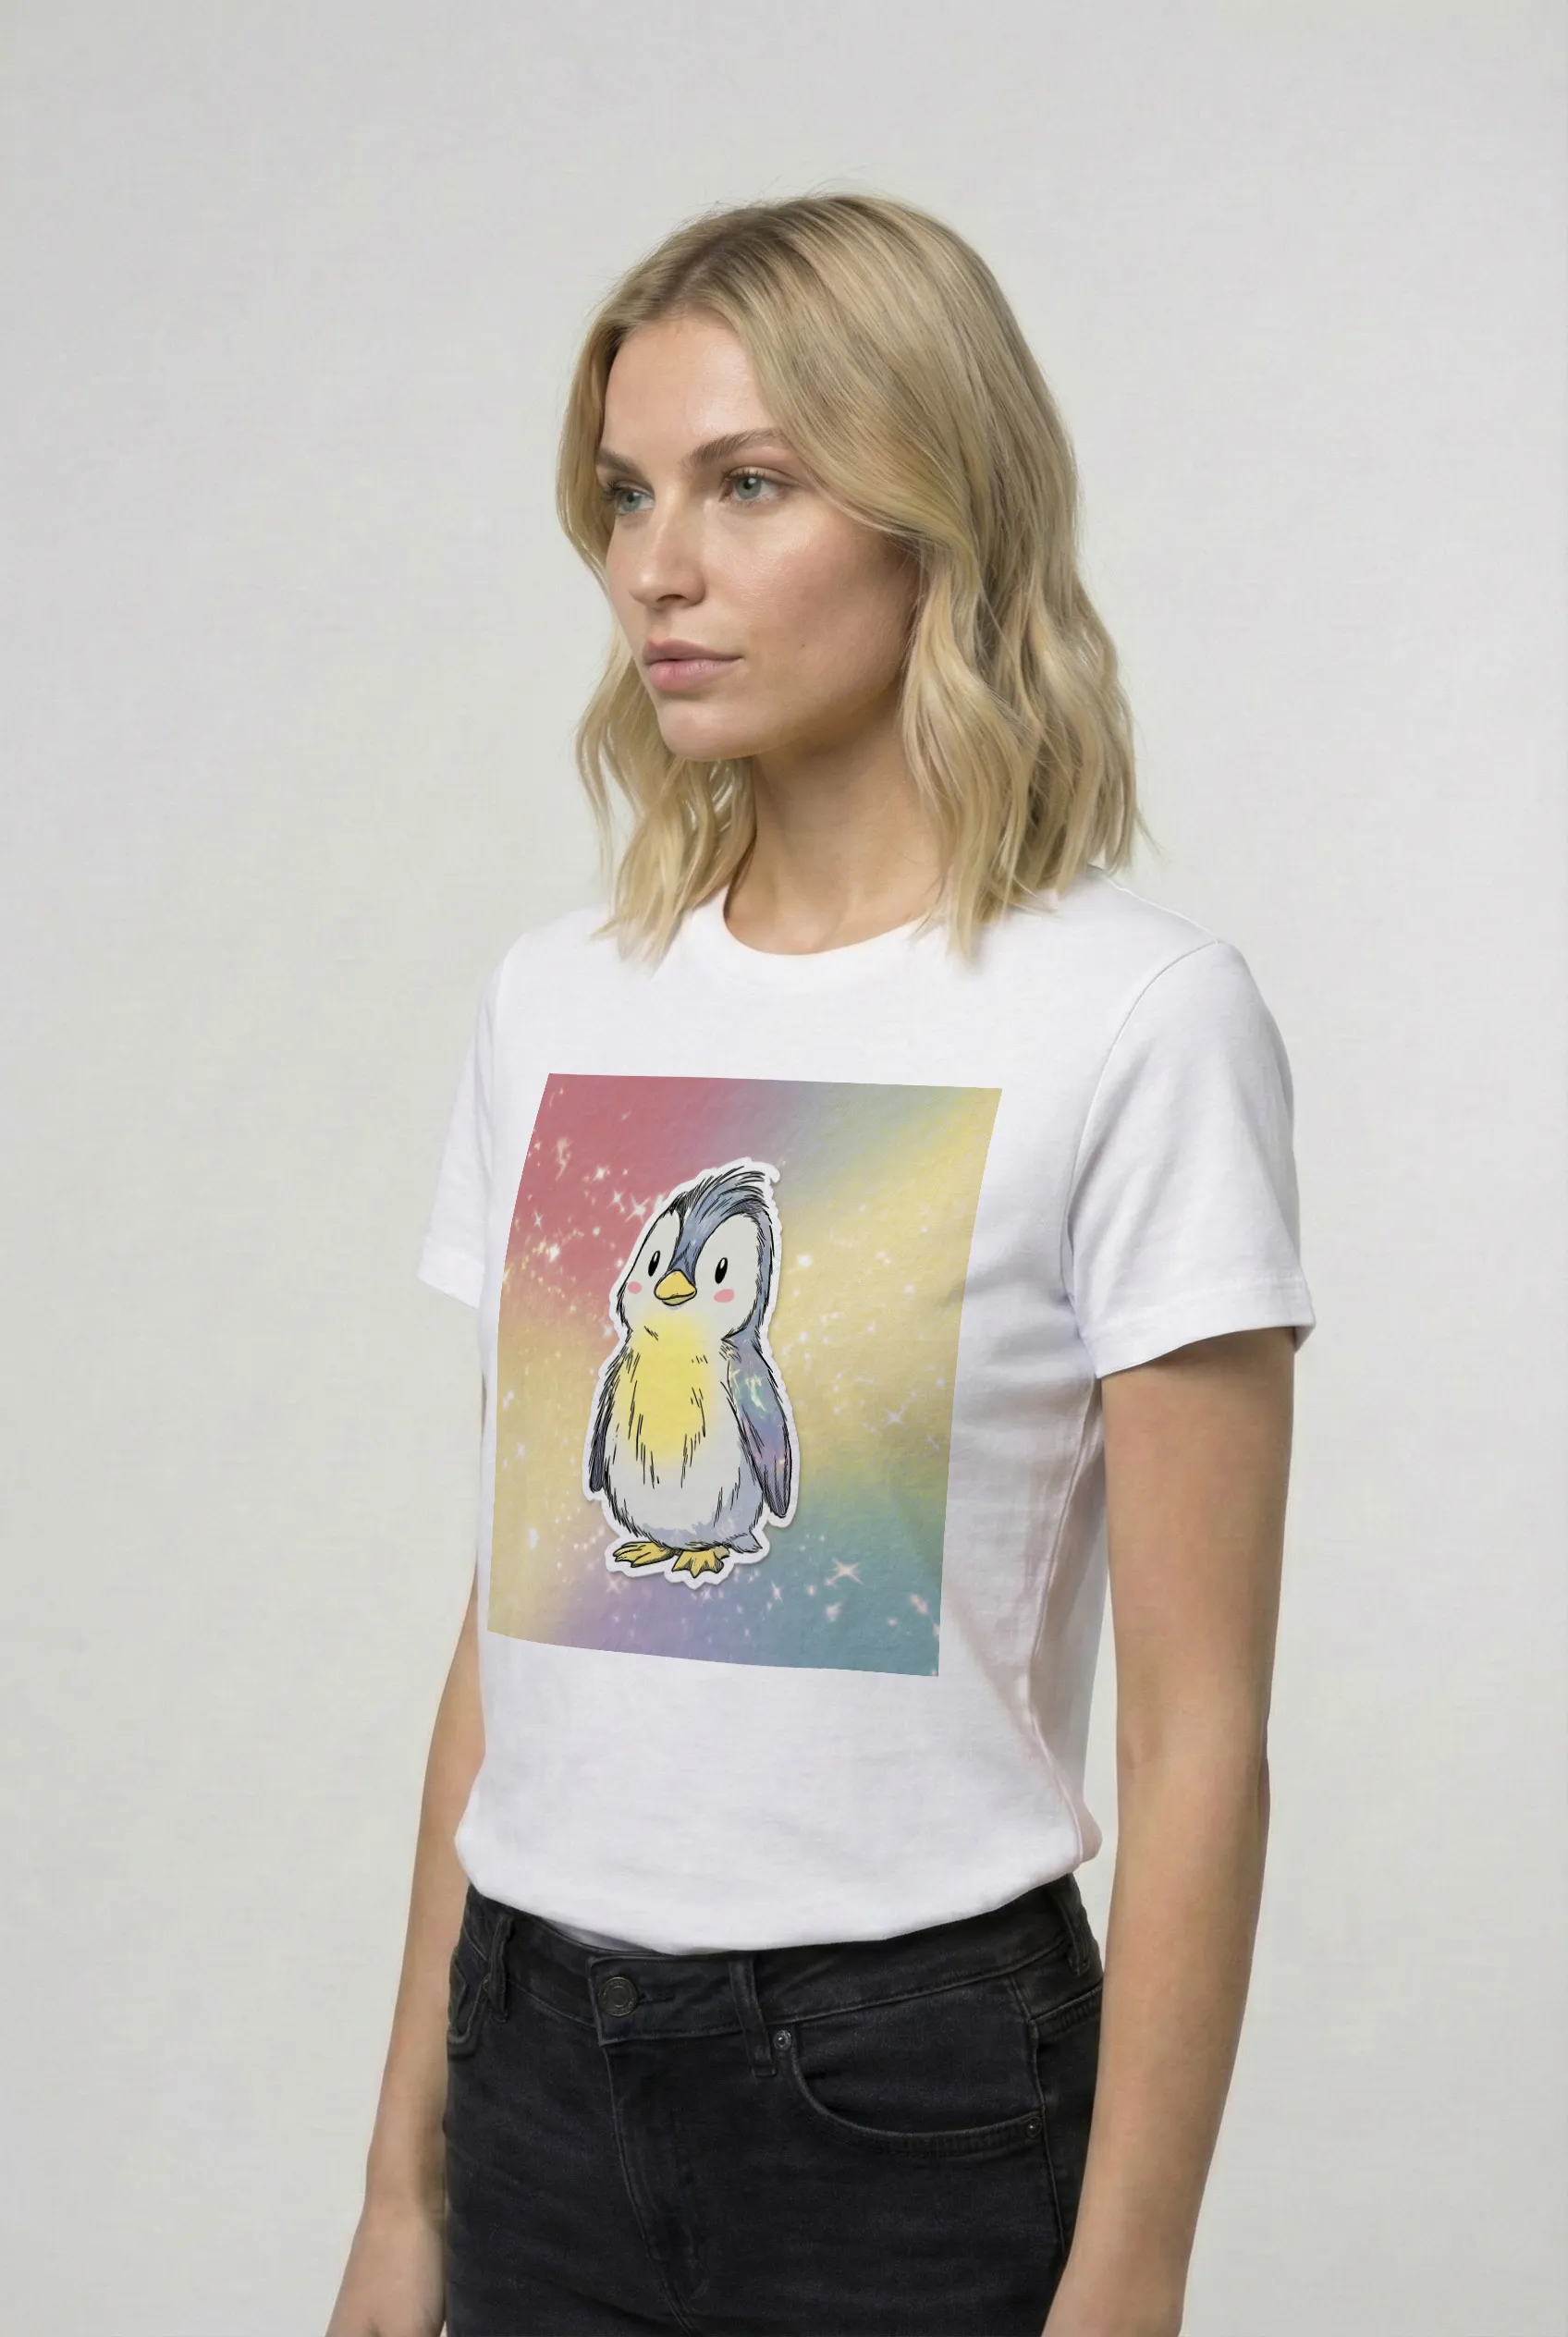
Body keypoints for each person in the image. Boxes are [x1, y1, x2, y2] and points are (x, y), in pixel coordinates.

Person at [325, 191, 1315, 2337]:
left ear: (932, 509)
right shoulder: (556, 1003)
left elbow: (1200, 1732)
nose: (652, 567)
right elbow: (514, 1628)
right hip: (530, 2063)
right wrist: (400, 2188)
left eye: (746, 483)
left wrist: (1127, 2279)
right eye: (624, 492)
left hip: (907, 2094)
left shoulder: (1131, 1021)